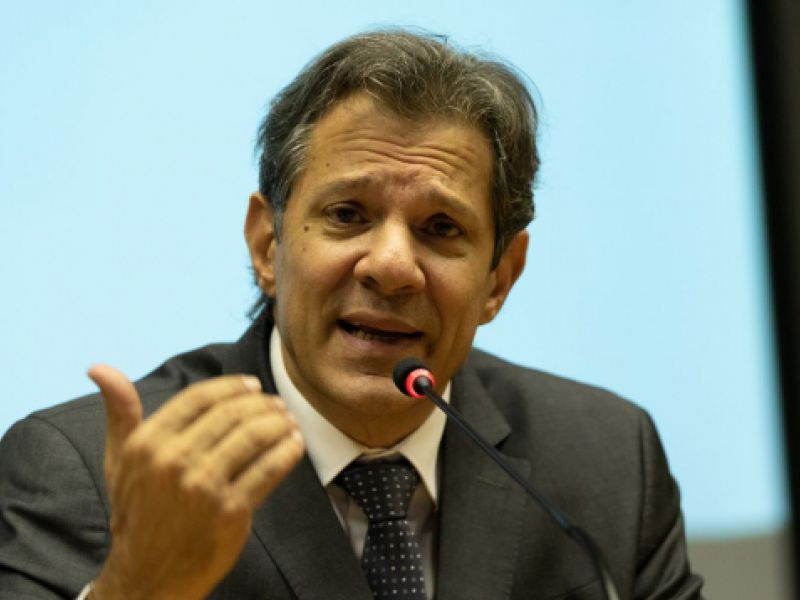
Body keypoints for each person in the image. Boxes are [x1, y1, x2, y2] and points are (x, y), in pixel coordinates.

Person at [0, 30, 703, 599]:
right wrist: (136, 590)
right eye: (346, 214)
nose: (391, 266)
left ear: (500, 277)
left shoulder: (607, 460)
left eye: (441, 228)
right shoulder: (86, 472)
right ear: (267, 245)